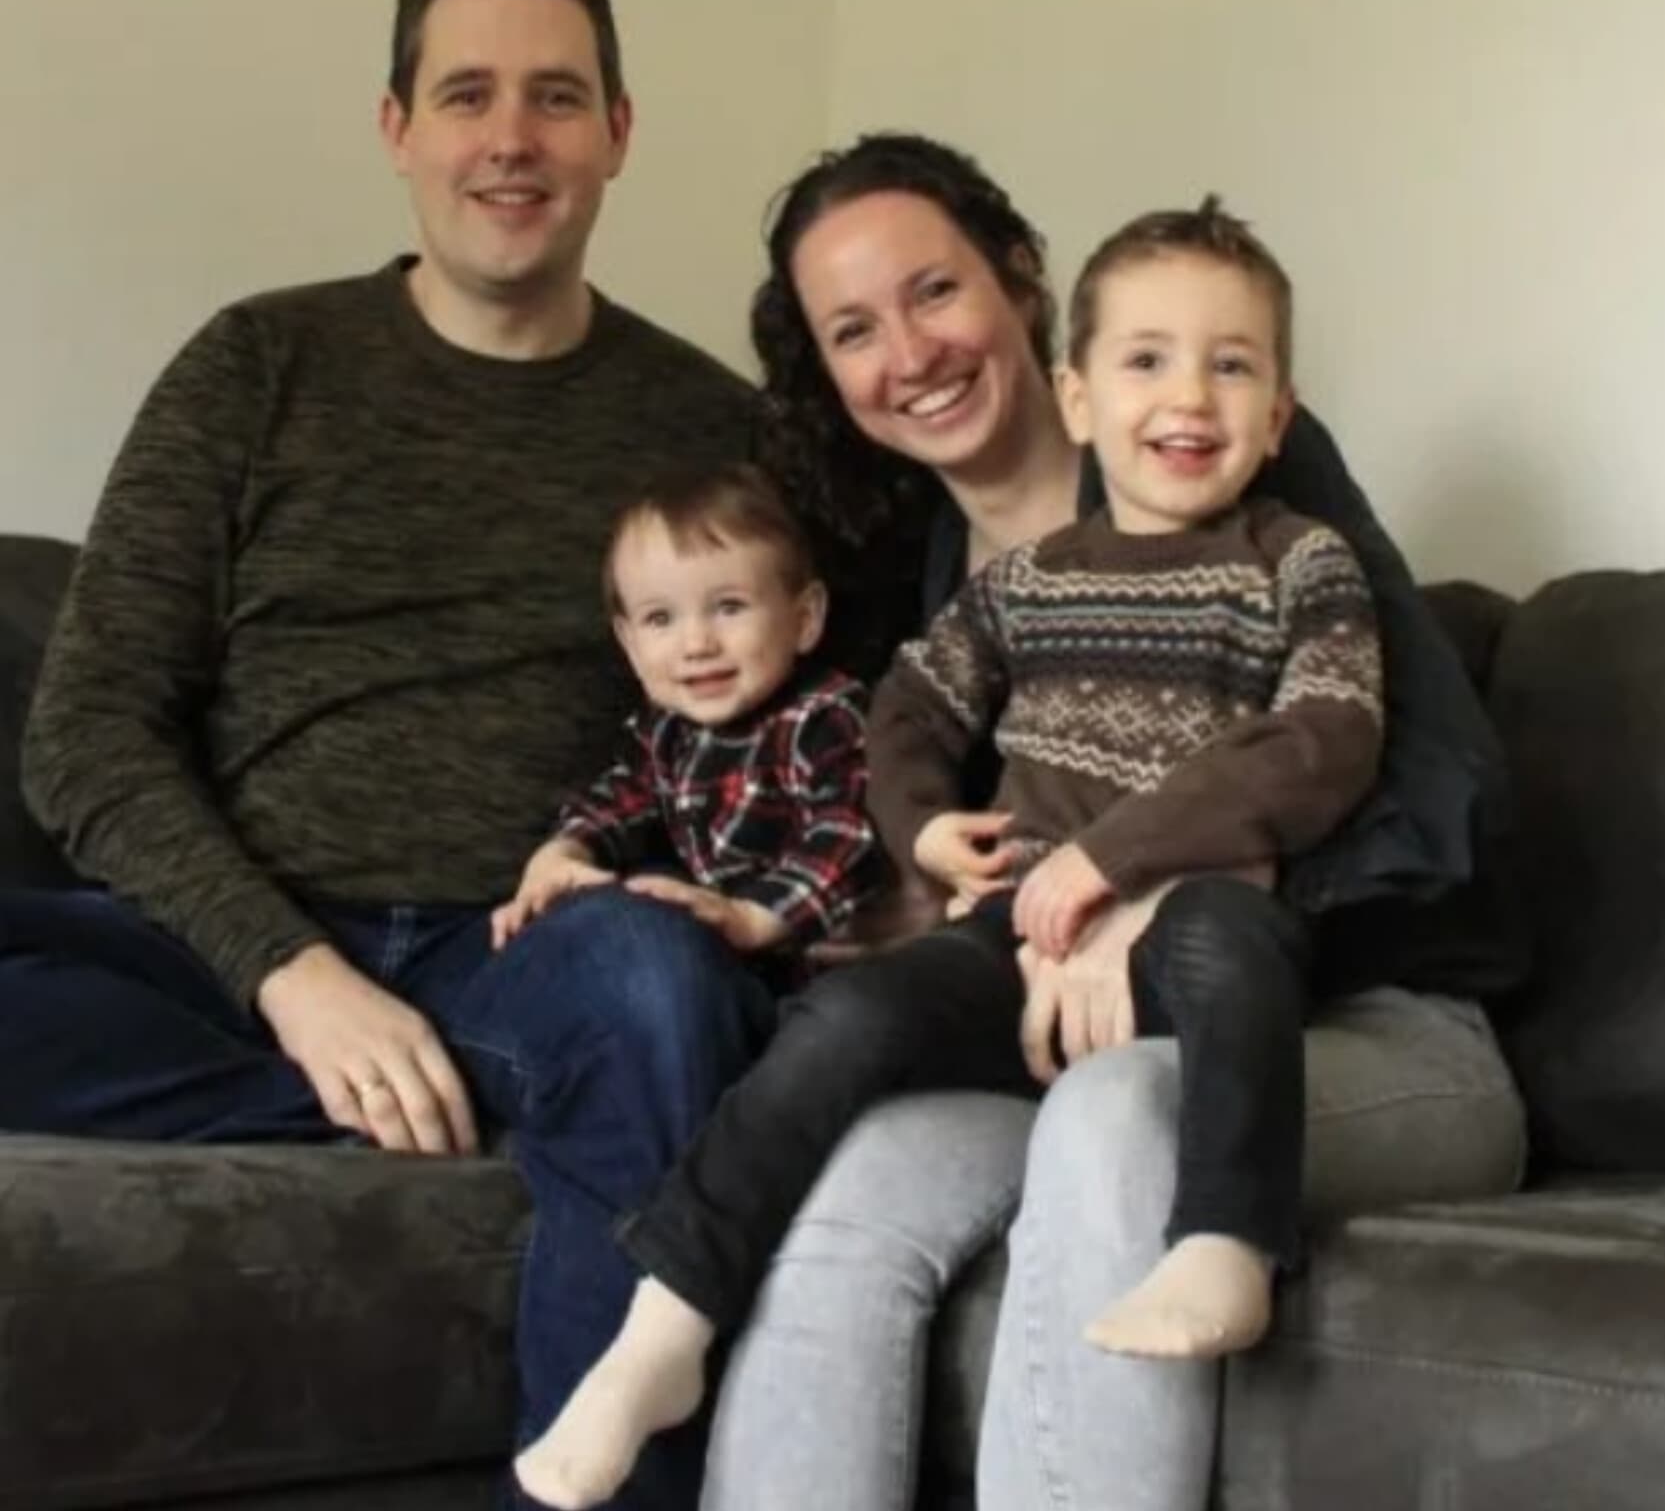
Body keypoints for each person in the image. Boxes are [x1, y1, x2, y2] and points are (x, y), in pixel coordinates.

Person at [0, 0, 768, 1509]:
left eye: (557, 97)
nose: (510, 138)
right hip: (238, 967)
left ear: (620, 134)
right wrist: (296, 981)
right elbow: (84, 731)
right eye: (467, 92)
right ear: (396, 126)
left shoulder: (709, 431)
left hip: (531, 953)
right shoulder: (255, 366)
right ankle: (435, 1104)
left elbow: (854, 683)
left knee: (650, 981)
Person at [696, 136, 1527, 1511]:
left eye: (934, 292)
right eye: (856, 330)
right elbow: (924, 820)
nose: (910, 352)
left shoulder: (1241, 475)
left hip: (1371, 1023)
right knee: (856, 1185)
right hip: (1062, 1029)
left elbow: (1424, 787)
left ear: (1022, 283)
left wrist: (1147, 895)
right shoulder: (938, 574)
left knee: (1112, 1114)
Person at [520, 207, 1392, 1507]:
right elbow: (907, 707)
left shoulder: (1297, 560)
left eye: (1233, 365)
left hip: (1195, 914)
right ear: (1081, 398)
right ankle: (667, 1325)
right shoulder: (1029, 577)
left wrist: (1108, 866)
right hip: (1021, 935)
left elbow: (1326, 737)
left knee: (1234, 941)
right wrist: (921, 822)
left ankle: (1226, 1238)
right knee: (852, 1013)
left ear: (1280, 415)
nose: (1190, 396)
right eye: (1149, 362)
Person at [494, 462, 884, 964]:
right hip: (738, 961)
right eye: (660, 618)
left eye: (729, 607)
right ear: (629, 644)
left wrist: (754, 916)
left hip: (835, 957)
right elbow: (622, 799)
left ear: (804, 619)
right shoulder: (666, 732)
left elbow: (849, 834)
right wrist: (566, 850)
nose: (697, 644)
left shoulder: (824, 719)